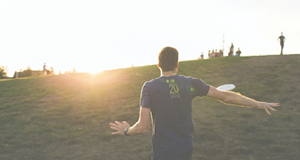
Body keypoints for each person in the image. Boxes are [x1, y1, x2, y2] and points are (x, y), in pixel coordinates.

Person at [109, 47, 280, 160]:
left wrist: (126, 131)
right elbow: (225, 96)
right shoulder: (190, 84)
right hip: (185, 149)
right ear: (177, 64)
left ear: (158, 65)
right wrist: (257, 103)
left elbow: (142, 127)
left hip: (164, 153)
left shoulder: (149, 87)